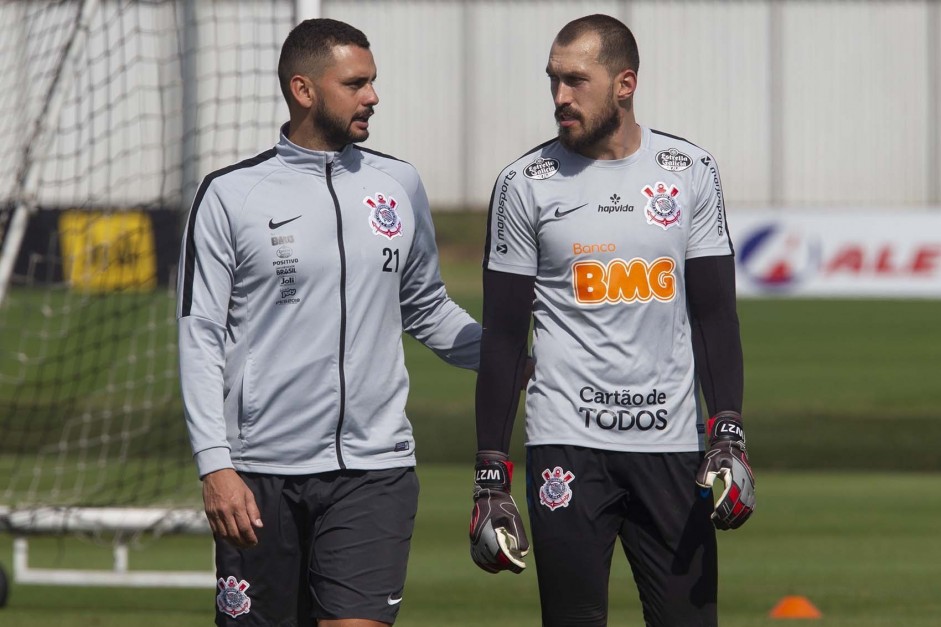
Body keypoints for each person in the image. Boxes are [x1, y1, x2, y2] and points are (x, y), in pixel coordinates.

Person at [177, 18, 480, 627]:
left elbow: (424, 305)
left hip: (374, 469)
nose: (373, 96)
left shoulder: (398, 184)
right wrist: (216, 464)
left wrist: (506, 352)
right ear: (304, 90)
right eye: (356, 83)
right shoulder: (229, 195)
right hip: (259, 474)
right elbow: (199, 335)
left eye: (373, 82)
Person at [468, 14, 755, 627]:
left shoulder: (689, 171)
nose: (559, 98)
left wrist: (727, 428)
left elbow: (713, 314)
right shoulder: (524, 184)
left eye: (575, 80)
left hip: (672, 446)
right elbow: (502, 338)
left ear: (625, 83)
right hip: (567, 442)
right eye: (553, 81)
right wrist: (490, 474)